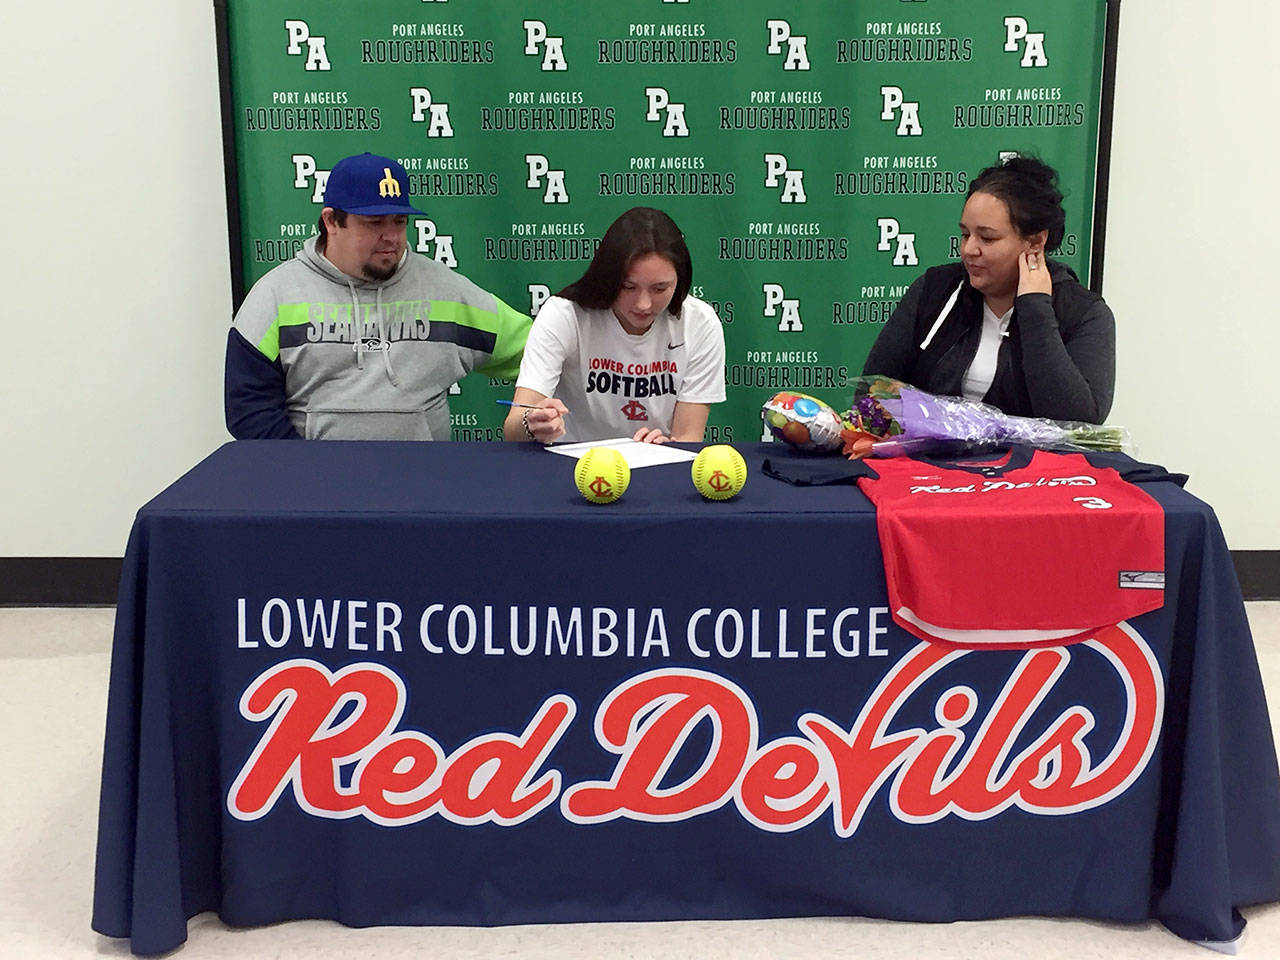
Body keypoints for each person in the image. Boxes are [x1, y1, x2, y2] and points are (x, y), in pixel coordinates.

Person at [225, 152, 531, 440]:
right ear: (331, 221)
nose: (392, 237)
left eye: (399, 222)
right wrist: (307, 476)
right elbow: (248, 410)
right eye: (374, 223)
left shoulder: (445, 290)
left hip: (423, 486)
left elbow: (540, 350)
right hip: (316, 489)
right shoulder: (276, 295)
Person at [862, 156, 1114, 424]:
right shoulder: (934, 290)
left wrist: (1035, 308)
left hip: (1032, 465)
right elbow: (872, 393)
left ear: (1036, 241)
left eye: (987, 238)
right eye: (965, 235)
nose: (970, 249)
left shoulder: (1084, 314)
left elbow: (1079, 423)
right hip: (928, 462)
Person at [504, 207, 726, 445]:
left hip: (655, 465)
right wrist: (532, 422)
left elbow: (687, 439)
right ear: (607, 277)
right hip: (572, 466)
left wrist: (666, 448)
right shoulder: (563, 314)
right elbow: (513, 427)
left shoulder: (699, 322)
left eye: (660, 288)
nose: (643, 304)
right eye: (628, 287)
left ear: (680, 281)